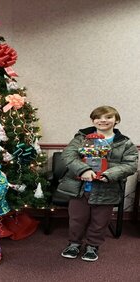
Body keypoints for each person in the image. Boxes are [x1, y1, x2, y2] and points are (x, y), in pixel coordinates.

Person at [58, 106, 138, 262]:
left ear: (116, 120)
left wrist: (108, 174)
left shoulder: (124, 143)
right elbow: (68, 155)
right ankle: (74, 244)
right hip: (80, 188)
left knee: (100, 221)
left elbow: (131, 165)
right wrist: (83, 170)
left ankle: (92, 246)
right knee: (76, 219)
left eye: (108, 117)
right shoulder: (81, 137)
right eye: (98, 117)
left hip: (107, 188)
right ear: (93, 120)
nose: (103, 120)